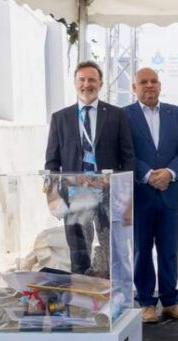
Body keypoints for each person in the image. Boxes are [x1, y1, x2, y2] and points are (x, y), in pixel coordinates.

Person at [44, 61, 134, 274]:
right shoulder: (60, 118)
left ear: (100, 83)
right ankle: (81, 293)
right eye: (82, 80)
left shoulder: (116, 115)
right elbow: (52, 162)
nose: (86, 84)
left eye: (92, 80)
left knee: (110, 255)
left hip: (109, 194)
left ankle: (109, 292)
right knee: (79, 256)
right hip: (75, 195)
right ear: (75, 83)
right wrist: (52, 195)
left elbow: (128, 158)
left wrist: (127, 197)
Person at [124, 67, 178, 323]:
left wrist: (170, 172)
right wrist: (147, 174)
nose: (149, 85)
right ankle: (146, 303)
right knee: (142, 251)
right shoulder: (124, 115)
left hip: (170, 193)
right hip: (140, 194)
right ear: (134, 88)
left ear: (160, 85)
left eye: (153, 81)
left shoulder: (176, 113)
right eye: (143, 82)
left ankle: (170, 302)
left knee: (169, 250)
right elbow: (125, 151)